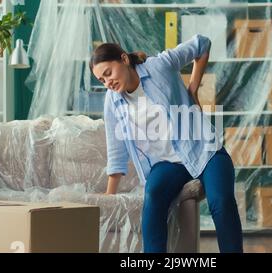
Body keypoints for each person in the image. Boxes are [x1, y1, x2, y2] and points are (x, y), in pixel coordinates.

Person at [90, 34, 243, 253]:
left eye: (108, 73)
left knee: (221, 202)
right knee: (153, 197)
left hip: (204, 151)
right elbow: (116, 147)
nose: (108, 82)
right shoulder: (112, 100)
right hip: (167, 164)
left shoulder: (159, 65)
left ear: (124, 59)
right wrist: (109, 195)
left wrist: (193, 88)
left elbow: (202, 44)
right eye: (102, 80)